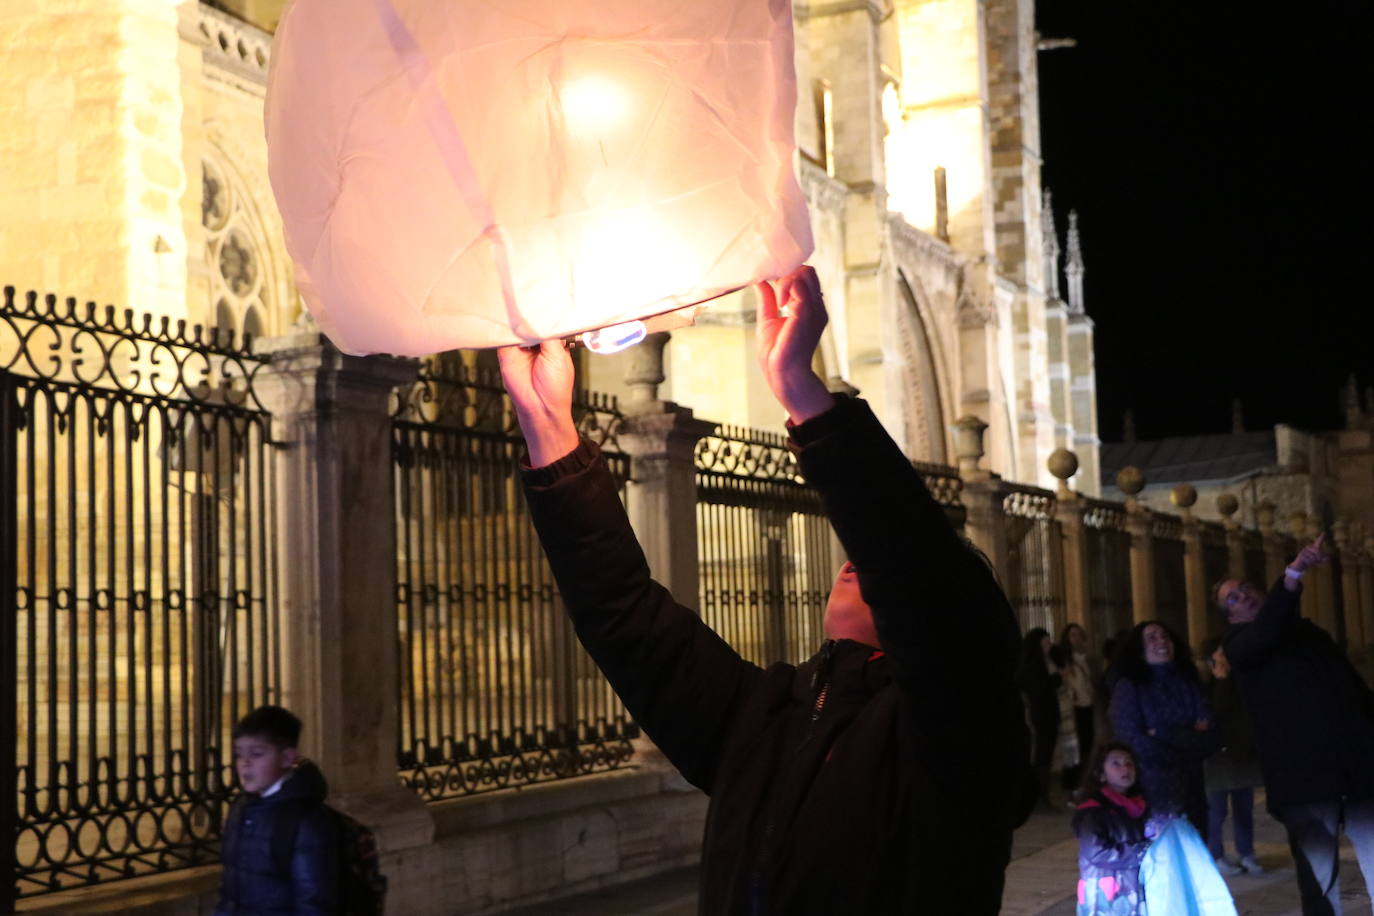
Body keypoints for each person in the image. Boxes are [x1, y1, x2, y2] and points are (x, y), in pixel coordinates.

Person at [498, 266, 1030, 913]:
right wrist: (549, 428)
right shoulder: (767, 715)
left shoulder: (957, 742)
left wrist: (805, 396)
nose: (858, 560)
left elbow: (920, 576)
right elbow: (624, 618)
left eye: (885, 572)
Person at [1217, 534, 1374, 914]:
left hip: (1356, 773)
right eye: (1233, 599)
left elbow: (1354, 692)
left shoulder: (1307, 634)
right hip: (1304, 786)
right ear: (1230, 617)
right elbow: (1268, 629)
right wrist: (1294, 572)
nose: (1245, 596)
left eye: (1247, 588)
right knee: (1321, 886)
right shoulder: (1241, 646)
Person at [216, 705, 339, 916]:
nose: (245, 764)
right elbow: (229, 893)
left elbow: (314, 901)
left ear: (287, 758)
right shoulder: (241, 808)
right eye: (239, 754)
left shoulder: (305, 821)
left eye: (256, 754)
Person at [1108, 620, 1219, 833]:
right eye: (1152, 637)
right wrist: (1186, 742)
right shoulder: (1130, 687)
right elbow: (1131, 738)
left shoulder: (1189, 682)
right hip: (1153, 789)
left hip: (1192, 786)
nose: (1161, 641)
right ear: (1140, 650)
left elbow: (1211, 734)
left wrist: (1161, 733)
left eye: (1165, 636)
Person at [1199, 636, 1264, 877]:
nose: (1224, 660)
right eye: (1219, 656)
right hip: (1215, 755)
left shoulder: (1239, 680)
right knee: (1216, 810)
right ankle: (1215, 854)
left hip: (1240, 752)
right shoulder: (1205, 683)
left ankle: (1246, 852)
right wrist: (1221, 681)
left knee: (1244, 806)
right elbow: (1215, 711)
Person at [1072, 742, 1151, 916]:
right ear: (1101, 774)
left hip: (1131, 889)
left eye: (1129, 763)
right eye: (1116, 763)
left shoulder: (1137, 808)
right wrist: (1141, 852)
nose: (1125, 768)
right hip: (1106, 894)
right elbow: (1097, 853)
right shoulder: (1093, 812)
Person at [1018, 628, 1064, 807]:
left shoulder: (1046, 661)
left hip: (1048, 715)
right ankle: (1040, 796)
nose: (1049, 646)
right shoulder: (1033, 666)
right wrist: (1055, 678)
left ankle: (1042, 794)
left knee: (1045, 756)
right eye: (1045, 643)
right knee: (1042, 757)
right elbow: (1040, 689)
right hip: (1041, 716)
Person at [1060, 623, 1101, 787]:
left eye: (1079, 635)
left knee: (1087, 743)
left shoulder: (1089, 659)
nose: (1076, 639)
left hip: (1088, 704)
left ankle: (1085, 779)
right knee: (1073, 745)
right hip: (1073, 707)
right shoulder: (1065, 661)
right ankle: (1073, 782)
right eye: (1072, 635)